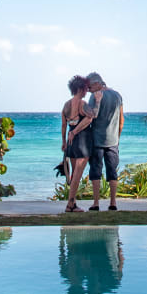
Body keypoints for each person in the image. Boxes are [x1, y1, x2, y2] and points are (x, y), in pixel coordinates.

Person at [77, 71, 123, 211]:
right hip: (113, 141)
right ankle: (113, 203)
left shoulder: (95, 96)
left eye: (89, 87)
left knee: (95, 171)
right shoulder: (117, 95)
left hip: (97, 140)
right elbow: (121, 120)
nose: (88, 90)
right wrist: (117, 138)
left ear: (97, 83)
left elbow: (91, 117)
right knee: (112, 171)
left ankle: (96, 203)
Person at [61, 75, 91, 213]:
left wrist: (64, 141)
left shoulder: (66, 105)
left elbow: (63, 125)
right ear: (80, 89)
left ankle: (72, 203)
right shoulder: (82, 104)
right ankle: (70, 204)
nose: (86, 91)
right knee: (77, 175)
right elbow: (90, 118)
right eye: (85, 89)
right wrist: (75, 132)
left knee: (74, 174)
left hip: (70, 142)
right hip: (81, 140)